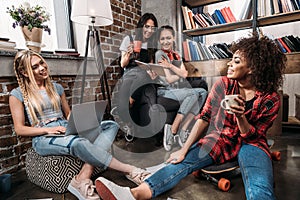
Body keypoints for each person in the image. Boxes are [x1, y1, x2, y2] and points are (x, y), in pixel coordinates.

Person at [94, 33, 286, 200]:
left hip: (252, 144)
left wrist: (240, 116)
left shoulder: (270, 99)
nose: (229, 63)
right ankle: (133, 194)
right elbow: (204, 117)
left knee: (260, 185)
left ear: (252, 68)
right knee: (182, 162)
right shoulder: (224, 85)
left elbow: (252, 136)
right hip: (220, 139)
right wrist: (183, 150)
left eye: (236, 61)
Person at [9, 50, 151, 200]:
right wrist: (50, 129)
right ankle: (130, 170)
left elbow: (68, 114)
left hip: (64, 128)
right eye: (35, 67)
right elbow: (19, 129)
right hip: (43, 137)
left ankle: (83, 176)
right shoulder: (17, 94)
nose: (42, 68)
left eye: (42, 63)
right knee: (79, 143)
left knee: (110, 125)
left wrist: (81, 123)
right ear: (24, 72)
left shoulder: (56, 88)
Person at [154, 25, 207, 151]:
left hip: (176, 90)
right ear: (159, 41)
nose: (165, 41)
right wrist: (179, 72)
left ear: (173, 38)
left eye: (168, 38)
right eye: (162, 39)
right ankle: (173, 129)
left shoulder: (176, 55)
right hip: (164, 91)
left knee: (203, 93)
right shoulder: (159, 54)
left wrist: (171, 67)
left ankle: (183, 129)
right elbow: (169, 79)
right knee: (193, 94)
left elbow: (185, 74)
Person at [116, 13, 158, 124]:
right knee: (142, 74)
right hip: (131, 73)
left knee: (148, 81)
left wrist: (153, 73)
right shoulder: (129, 39)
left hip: (145, 76)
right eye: (147, 26)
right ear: (141, 26)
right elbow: (123, 64)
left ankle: (131, 100)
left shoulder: (152, 44)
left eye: (152, 28)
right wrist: (128, 54)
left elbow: (151, 66)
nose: (149, 30)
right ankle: (130, 118)